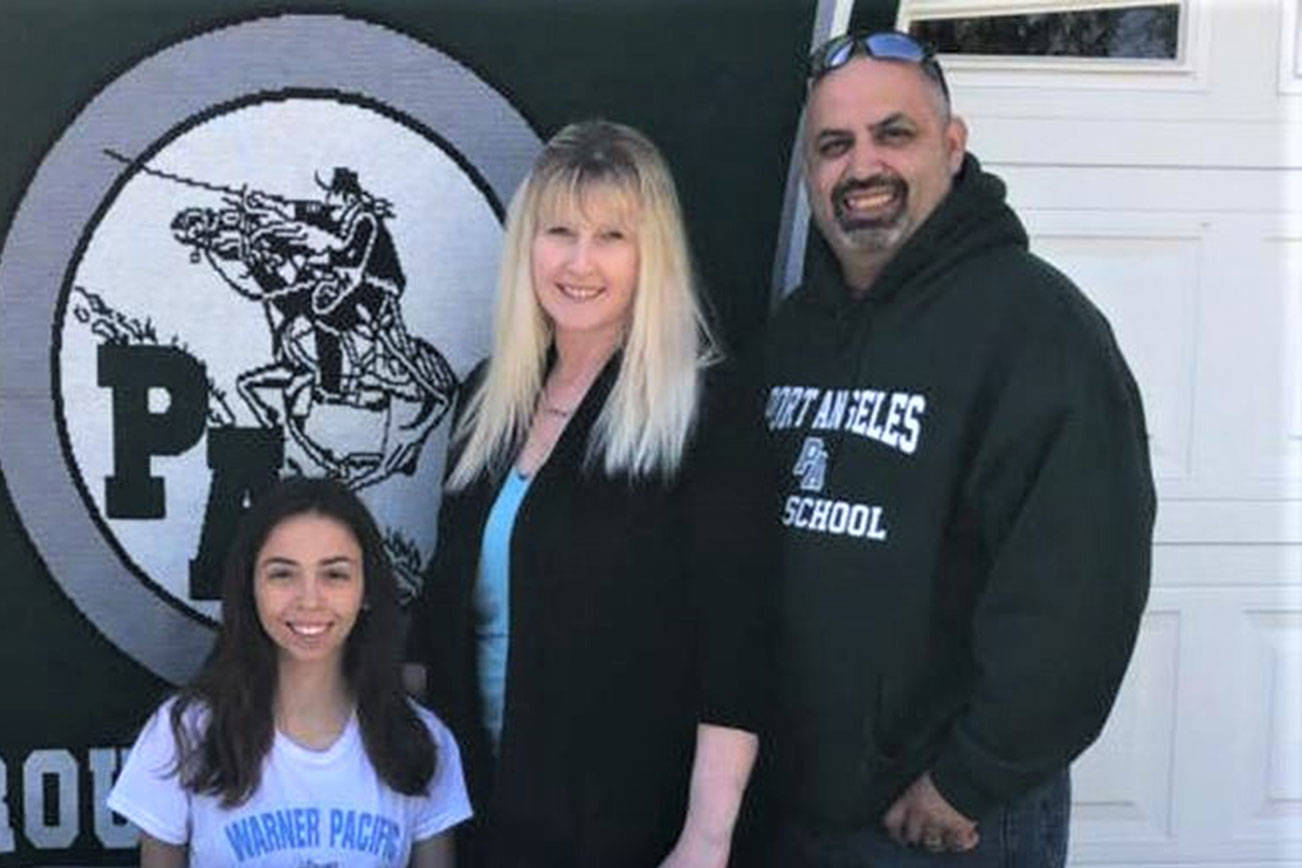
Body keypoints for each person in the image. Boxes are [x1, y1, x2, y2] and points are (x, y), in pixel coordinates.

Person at [755, 31, 1155, 866]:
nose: (862, 166)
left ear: (952, 143)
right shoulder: (792, 337)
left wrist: (973, 777)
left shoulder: (1040, 331)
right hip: (798, 811)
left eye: (892, 134)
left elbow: (1078, 590)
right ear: (809, 173)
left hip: (946, 822)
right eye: (834, 145)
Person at [406, 119, 769, 868]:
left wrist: (705, 839)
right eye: (559, 231)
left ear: (653, 256)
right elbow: (439, 618)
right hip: (483, 817)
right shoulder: (487, 402)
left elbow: (737, 645)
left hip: (629, 828)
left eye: (611, 237)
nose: (579, 262)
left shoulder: (705, 412)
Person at [108, 477, 471, 867]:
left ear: (366, 590)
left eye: (334, 574)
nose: (309, 599)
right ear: (251, 587)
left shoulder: (422, 743)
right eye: (283, 574)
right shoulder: (184, 735)